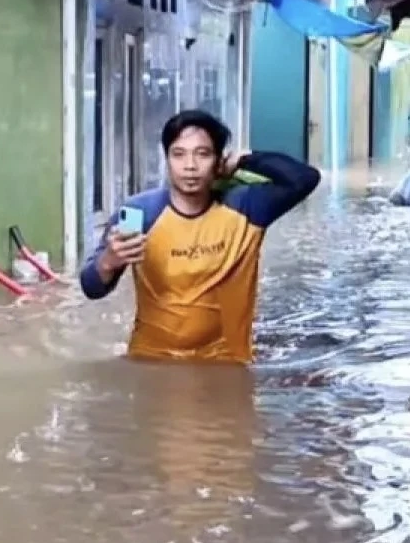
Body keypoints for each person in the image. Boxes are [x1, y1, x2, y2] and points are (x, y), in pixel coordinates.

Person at [79, 110, 321, 364]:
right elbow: (91, 289)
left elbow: (305, 178)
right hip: (152, 361)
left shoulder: (248, 207)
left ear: (218, 161)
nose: (190, 166)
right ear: (167, 159)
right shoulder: (140, 213)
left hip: (226, 362)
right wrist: (108, 262)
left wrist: (243, 160)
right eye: (178, 154)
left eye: (203, 154)